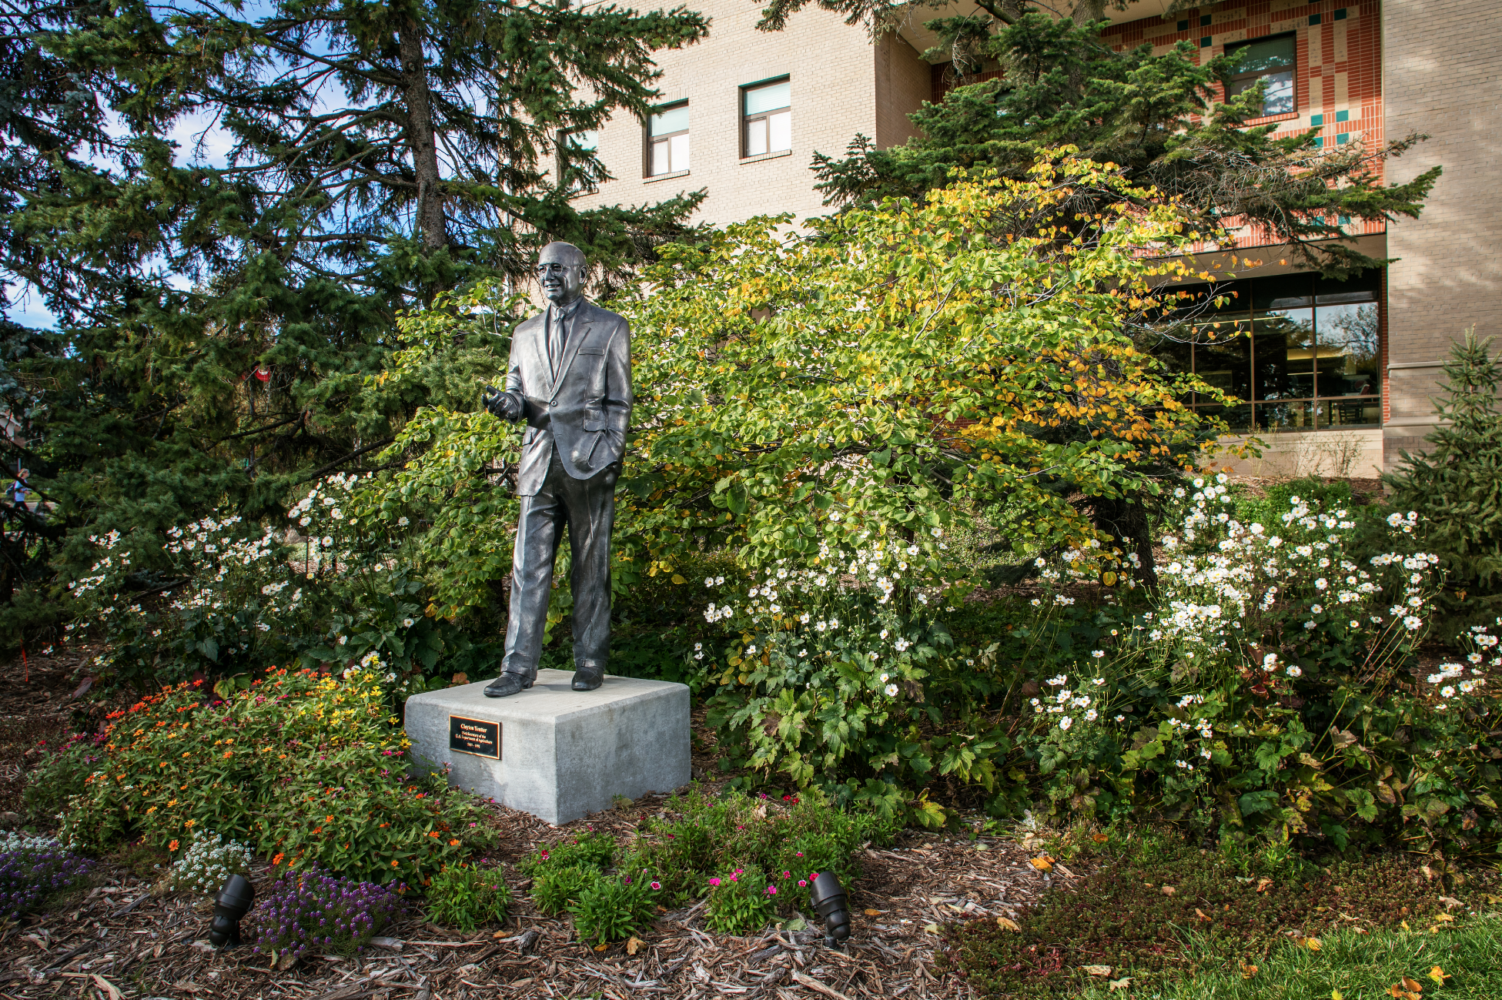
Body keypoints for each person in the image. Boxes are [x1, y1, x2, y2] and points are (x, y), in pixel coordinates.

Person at [480, 242, 633, 697]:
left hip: (589, 463)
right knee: (528, 567)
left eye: (557, 268)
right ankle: (518, 666)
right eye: (542, 269)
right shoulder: (524, 332)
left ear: (581, 273)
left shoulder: (609, 326)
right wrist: (507, 404)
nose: (547, 275)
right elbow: (516, 390)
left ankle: (589, 660)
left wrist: (611, 455)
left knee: (590, 566)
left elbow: (619, 401)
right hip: (538, 460)